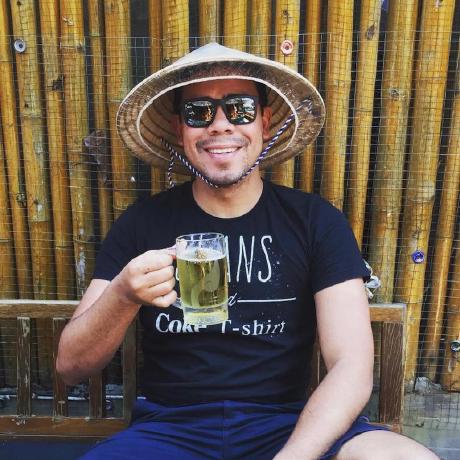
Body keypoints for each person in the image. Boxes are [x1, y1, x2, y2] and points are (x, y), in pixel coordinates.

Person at [57, 43, 438, 460]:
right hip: (170, 431)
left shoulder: (315, 221)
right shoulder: (142, 223)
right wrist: (122, 295)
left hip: (289, 425)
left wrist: (294, 456)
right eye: (199, 112)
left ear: (264, 122)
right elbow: (70, 366)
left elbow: (352, 365)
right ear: (180, 129)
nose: (220, 125)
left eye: (240, 109)